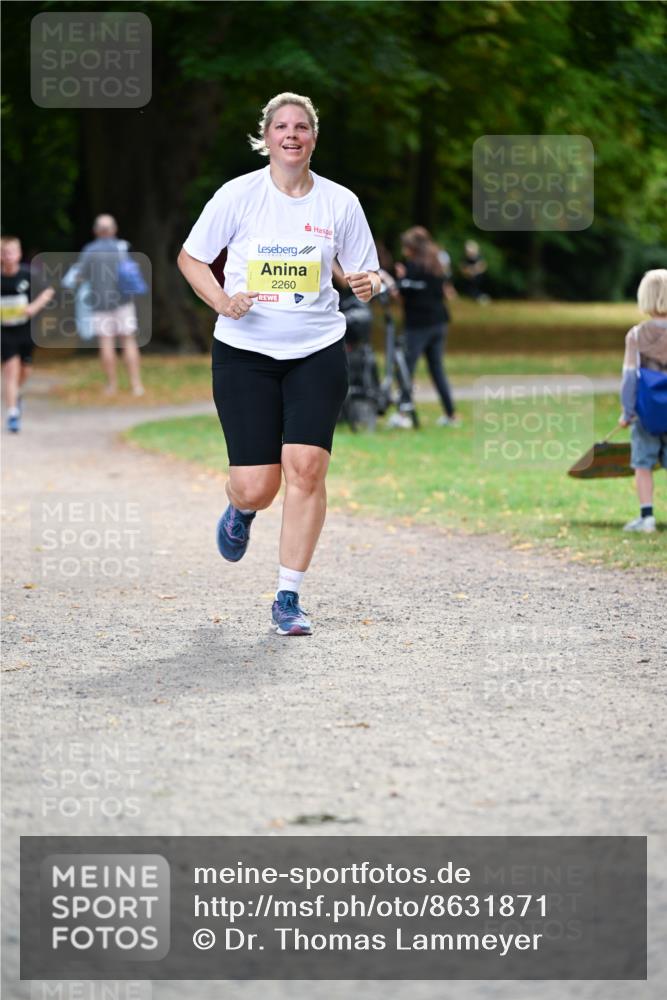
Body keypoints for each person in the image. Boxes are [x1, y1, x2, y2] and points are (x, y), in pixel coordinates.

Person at [177, 92, 380, 636]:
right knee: (257, 486)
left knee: (307, 470)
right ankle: (241, 512)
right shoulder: (238, 195)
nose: (291, 135)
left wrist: (368, 282)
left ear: (314, 137)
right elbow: (190, 258)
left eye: (302, 127)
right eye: (281, 127)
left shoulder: (339, 202)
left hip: (317, 348)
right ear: (265, 137)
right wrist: (222, 301)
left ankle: (288, 596)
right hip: (245, 352)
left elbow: (368, 273)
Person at [392, 226, 459, 429]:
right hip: (439, 322)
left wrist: (401, 279)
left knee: (406, 369)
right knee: (437, 369)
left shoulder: (413, 267)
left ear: (412, 248)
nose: (404, 251)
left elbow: (401, 296)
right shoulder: (438, 265)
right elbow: (446, 292)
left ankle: (403, 413)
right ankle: (450, 414)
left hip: (418, 325)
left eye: (406, 247)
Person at [619, 268, 667, 533]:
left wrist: (627, 411)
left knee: (643, 463)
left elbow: (629, 378)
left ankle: (647, 517)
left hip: (646, 413)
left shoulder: (636, 335)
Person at [76, 214, 145, 396]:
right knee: (128, 341)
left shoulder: (89, 251)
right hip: (124, 302)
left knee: (106, 343)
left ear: (96, 231)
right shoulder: (123, 247)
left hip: (100, 303)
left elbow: (80, 276)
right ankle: (136, 385)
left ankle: (112, 386)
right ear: (114, 229)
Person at [1, 236, 54, 432]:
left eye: (12, 252)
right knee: (10, 370)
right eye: (5, 253)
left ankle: (15, 395)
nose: (8, 256)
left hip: (25, 330)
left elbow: (48, 291)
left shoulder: (27, 275)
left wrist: (34, 307)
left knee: (25, 370)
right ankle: (12, 413)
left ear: (19, 254)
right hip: (5, 333)